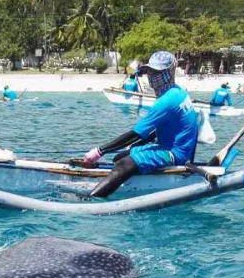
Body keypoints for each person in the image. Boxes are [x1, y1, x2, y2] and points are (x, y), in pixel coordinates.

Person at [78, 50, 198, 199]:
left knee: (124, 164)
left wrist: (98, 152)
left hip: (174, 154)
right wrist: (136, 146)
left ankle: (89, 199)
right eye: (149, 71)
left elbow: (134, 134)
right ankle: (125, 177)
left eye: (156, 72)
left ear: (169, 72)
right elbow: (155, 131)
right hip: (174, 149)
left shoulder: (165, 101)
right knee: (119, 157)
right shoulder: (178, 91)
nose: (152, 76)